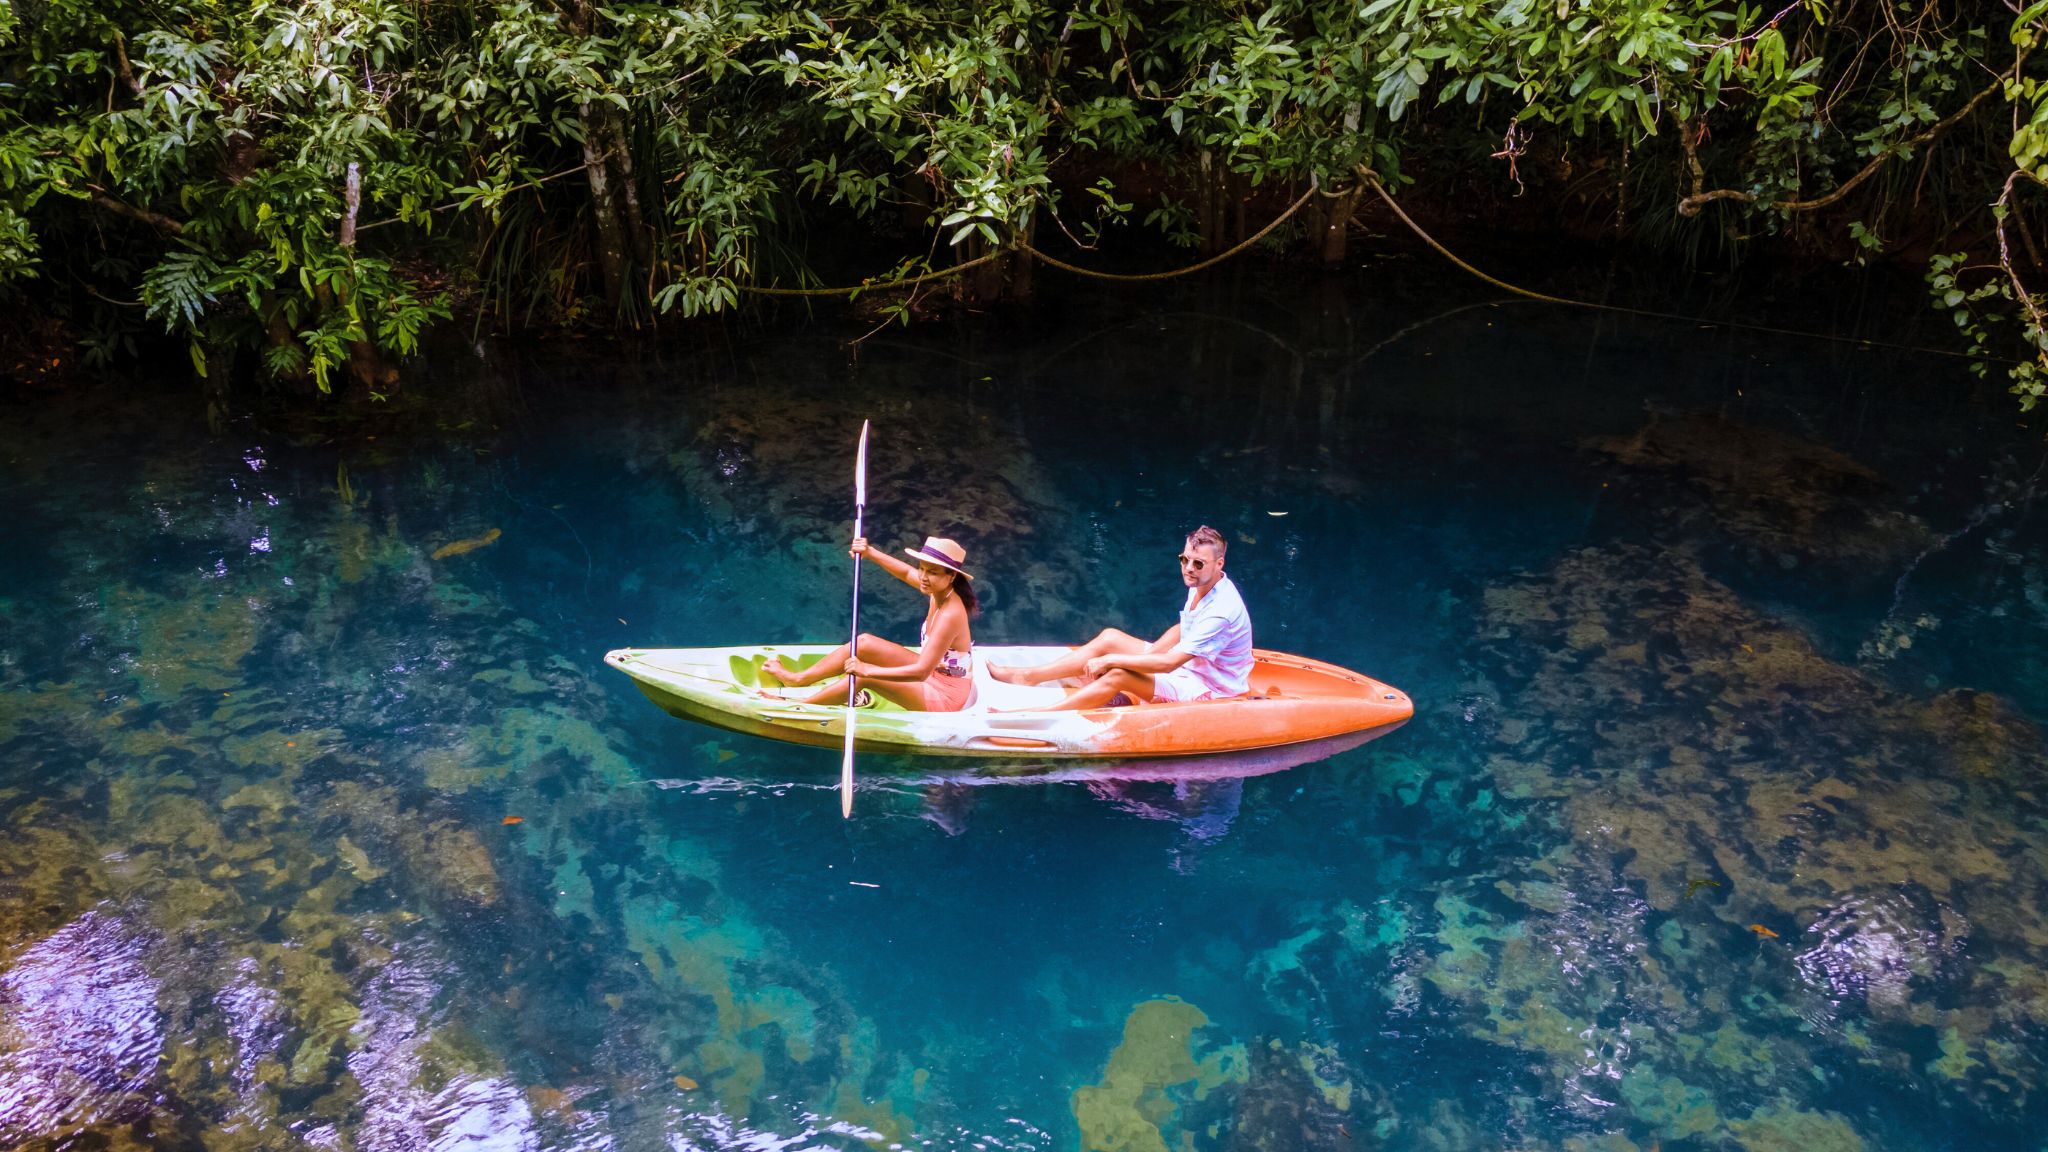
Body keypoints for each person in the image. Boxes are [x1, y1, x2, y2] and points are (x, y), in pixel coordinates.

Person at [989, 525, 1252, 711]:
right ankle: (1031, 676)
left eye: (1198, 563)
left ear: (1219, 564)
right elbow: (1185, 627)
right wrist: (1148, 655)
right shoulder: (1204, 583)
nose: (1188, 568)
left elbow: (1169, 663)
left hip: (1210, 690)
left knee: (1118, 673)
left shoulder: (1221, 610)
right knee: (1110, 638)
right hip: (1190, 668)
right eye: (1184, 560)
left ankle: (1043, 715)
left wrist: (1113, 660)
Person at [762, 535, 978, 711]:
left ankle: (799, 707)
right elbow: (905, 572)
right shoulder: (937, 590)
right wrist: (870, 552)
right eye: (922, 568)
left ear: (951, 576)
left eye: (932, 572)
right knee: (864, 643)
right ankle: (799, 679)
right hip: (934, 674)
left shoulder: (950, 614)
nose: (923, 577)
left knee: (863, 678)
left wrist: (867, 670)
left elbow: (920, 672)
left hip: (946, 697)